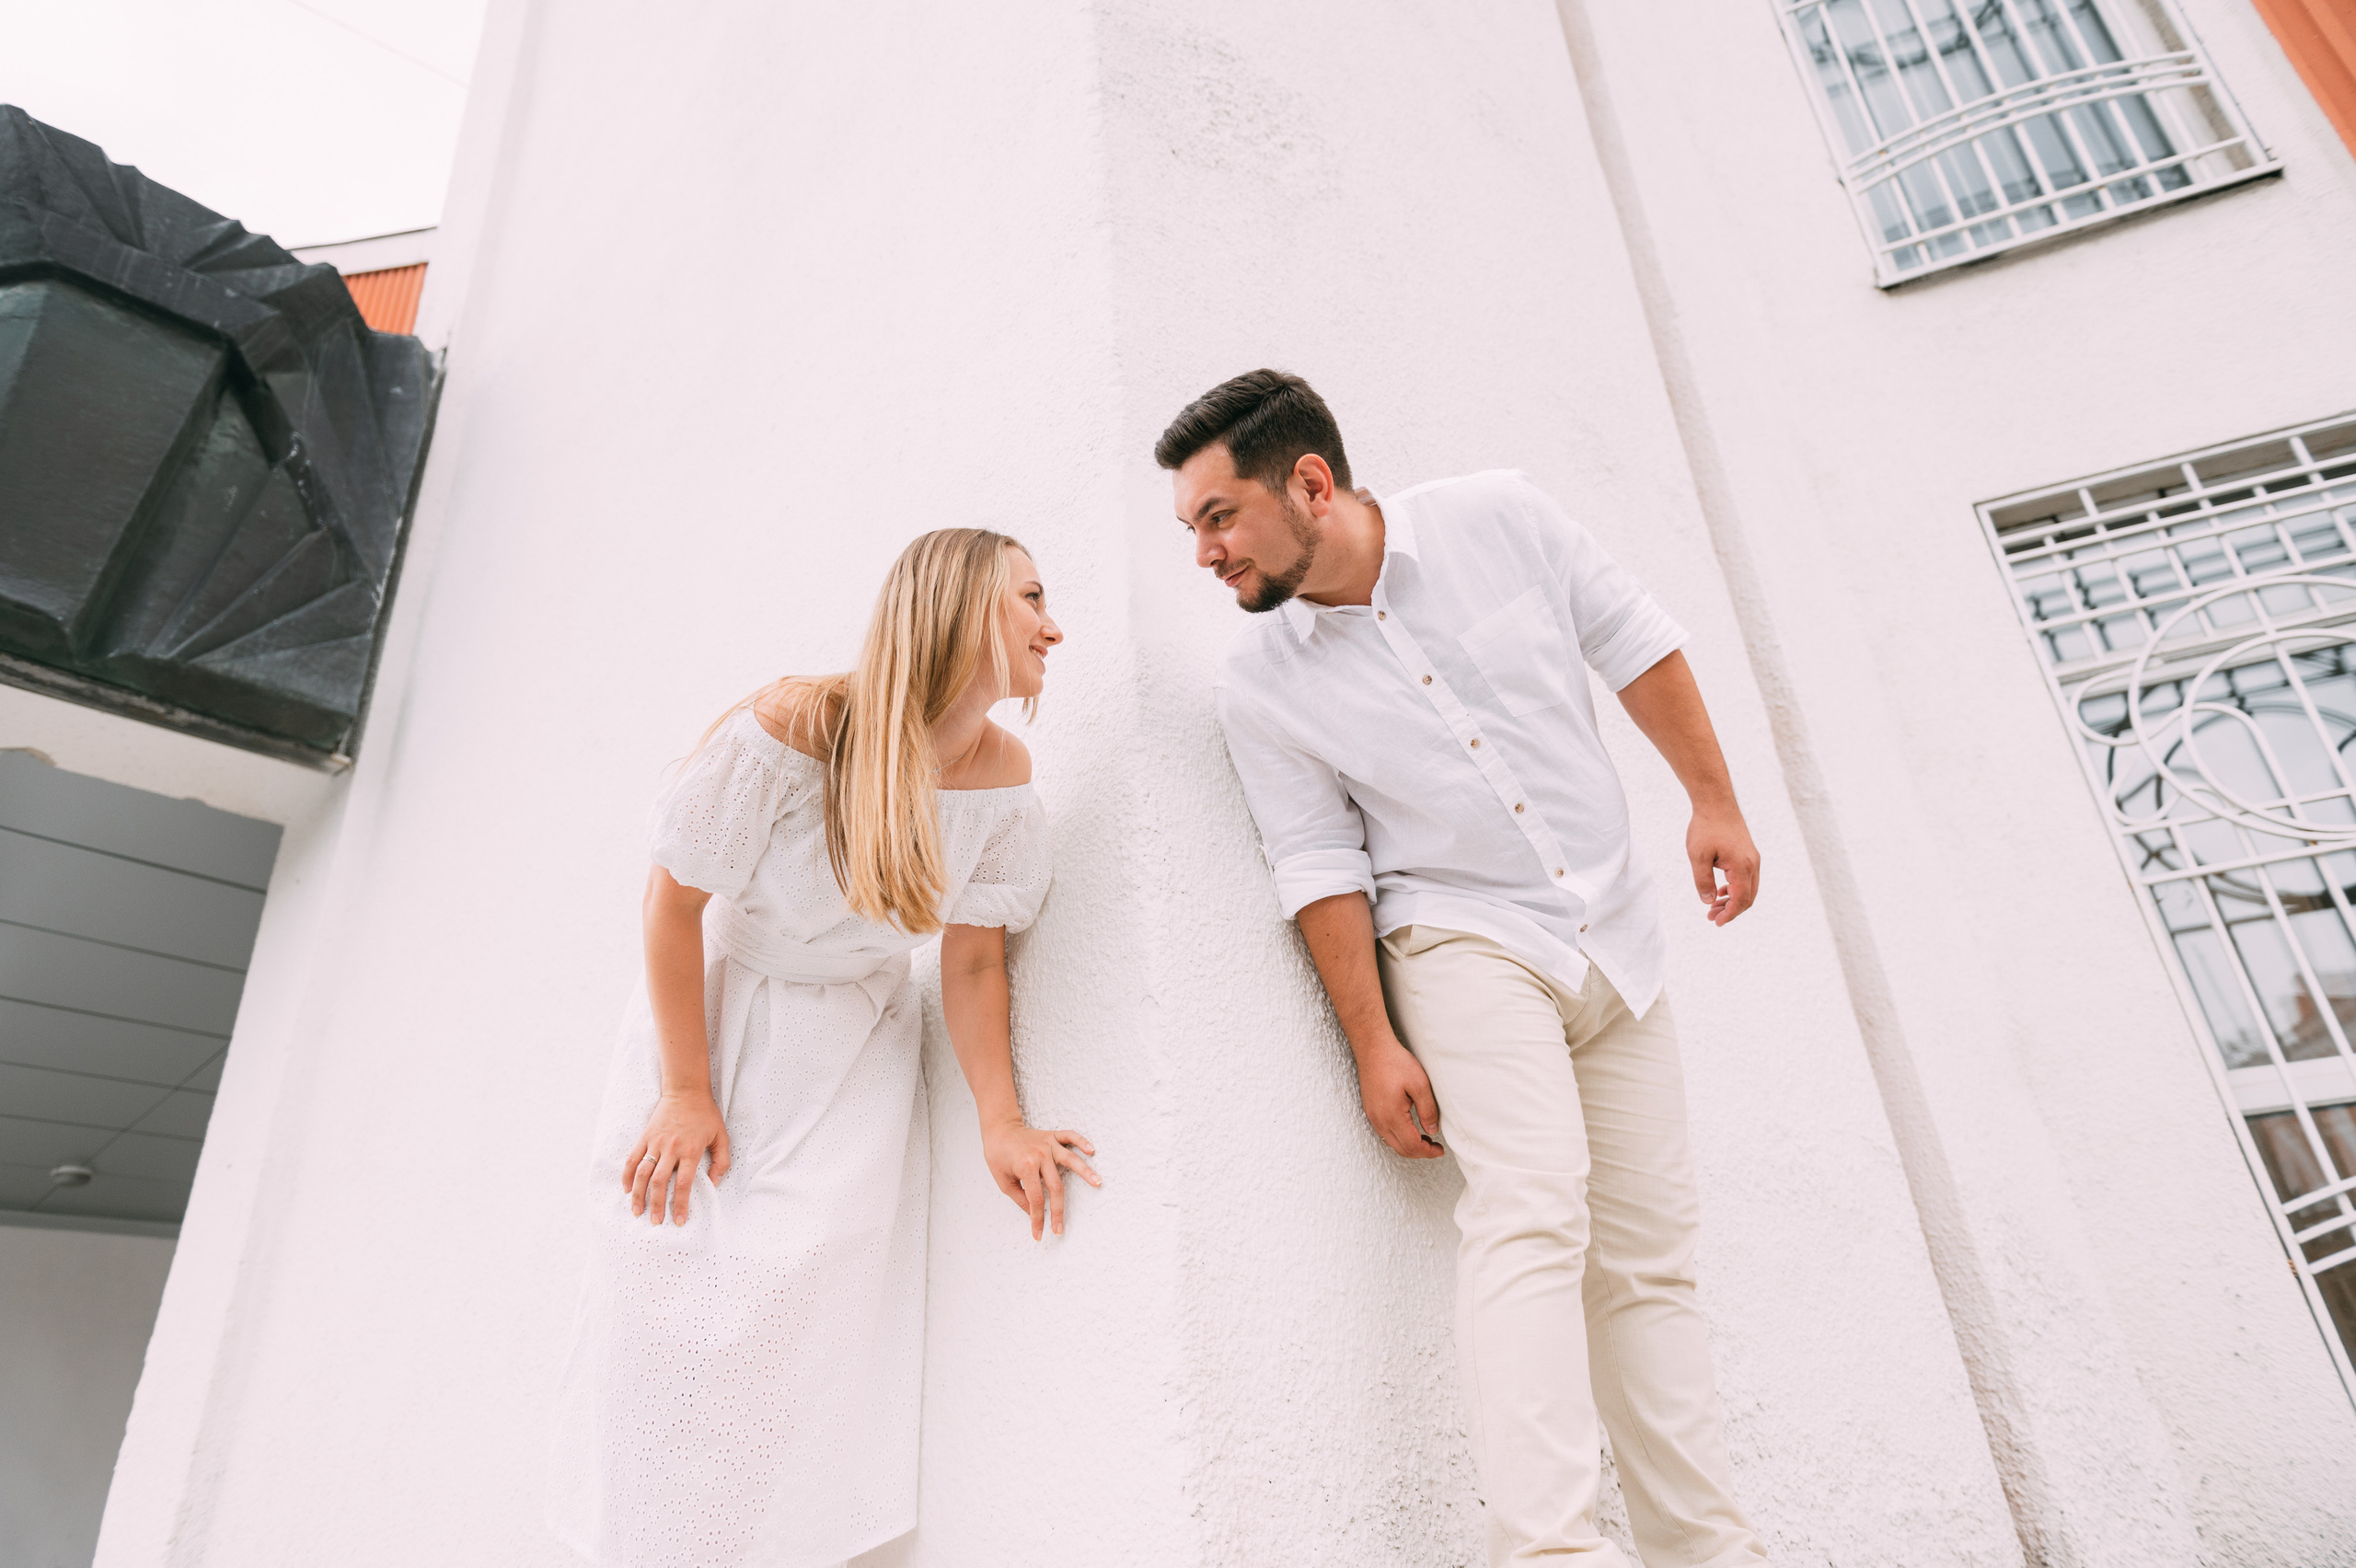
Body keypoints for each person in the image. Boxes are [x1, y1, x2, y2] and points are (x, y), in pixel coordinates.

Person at [1162, 370, 1769, 1567]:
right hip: (1459, 938)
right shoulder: (1261, 683)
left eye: (1219, 516)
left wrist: (1714, 802)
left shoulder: (1501, 517)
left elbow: (1633, 641)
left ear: (1311, 484)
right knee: (1533, 1214)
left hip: (1617, 933)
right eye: (1191, 529)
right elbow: (1319, 859)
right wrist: (1373, 1043)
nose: (1204, 553)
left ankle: (1709, 1553)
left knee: (1650, 1261)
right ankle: (1549, 1554)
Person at [549, 529, 1100, 1568]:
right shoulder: (796, 726)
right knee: (659, 1294)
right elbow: (673, 907)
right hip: (717, 1027)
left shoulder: (1002, 776)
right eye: (1030, 598)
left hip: (853, 1054)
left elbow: (974, 964)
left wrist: (1003, 1121)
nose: (1052, 625)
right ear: (961, 607)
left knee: (797, 1316)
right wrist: (684, 1092)